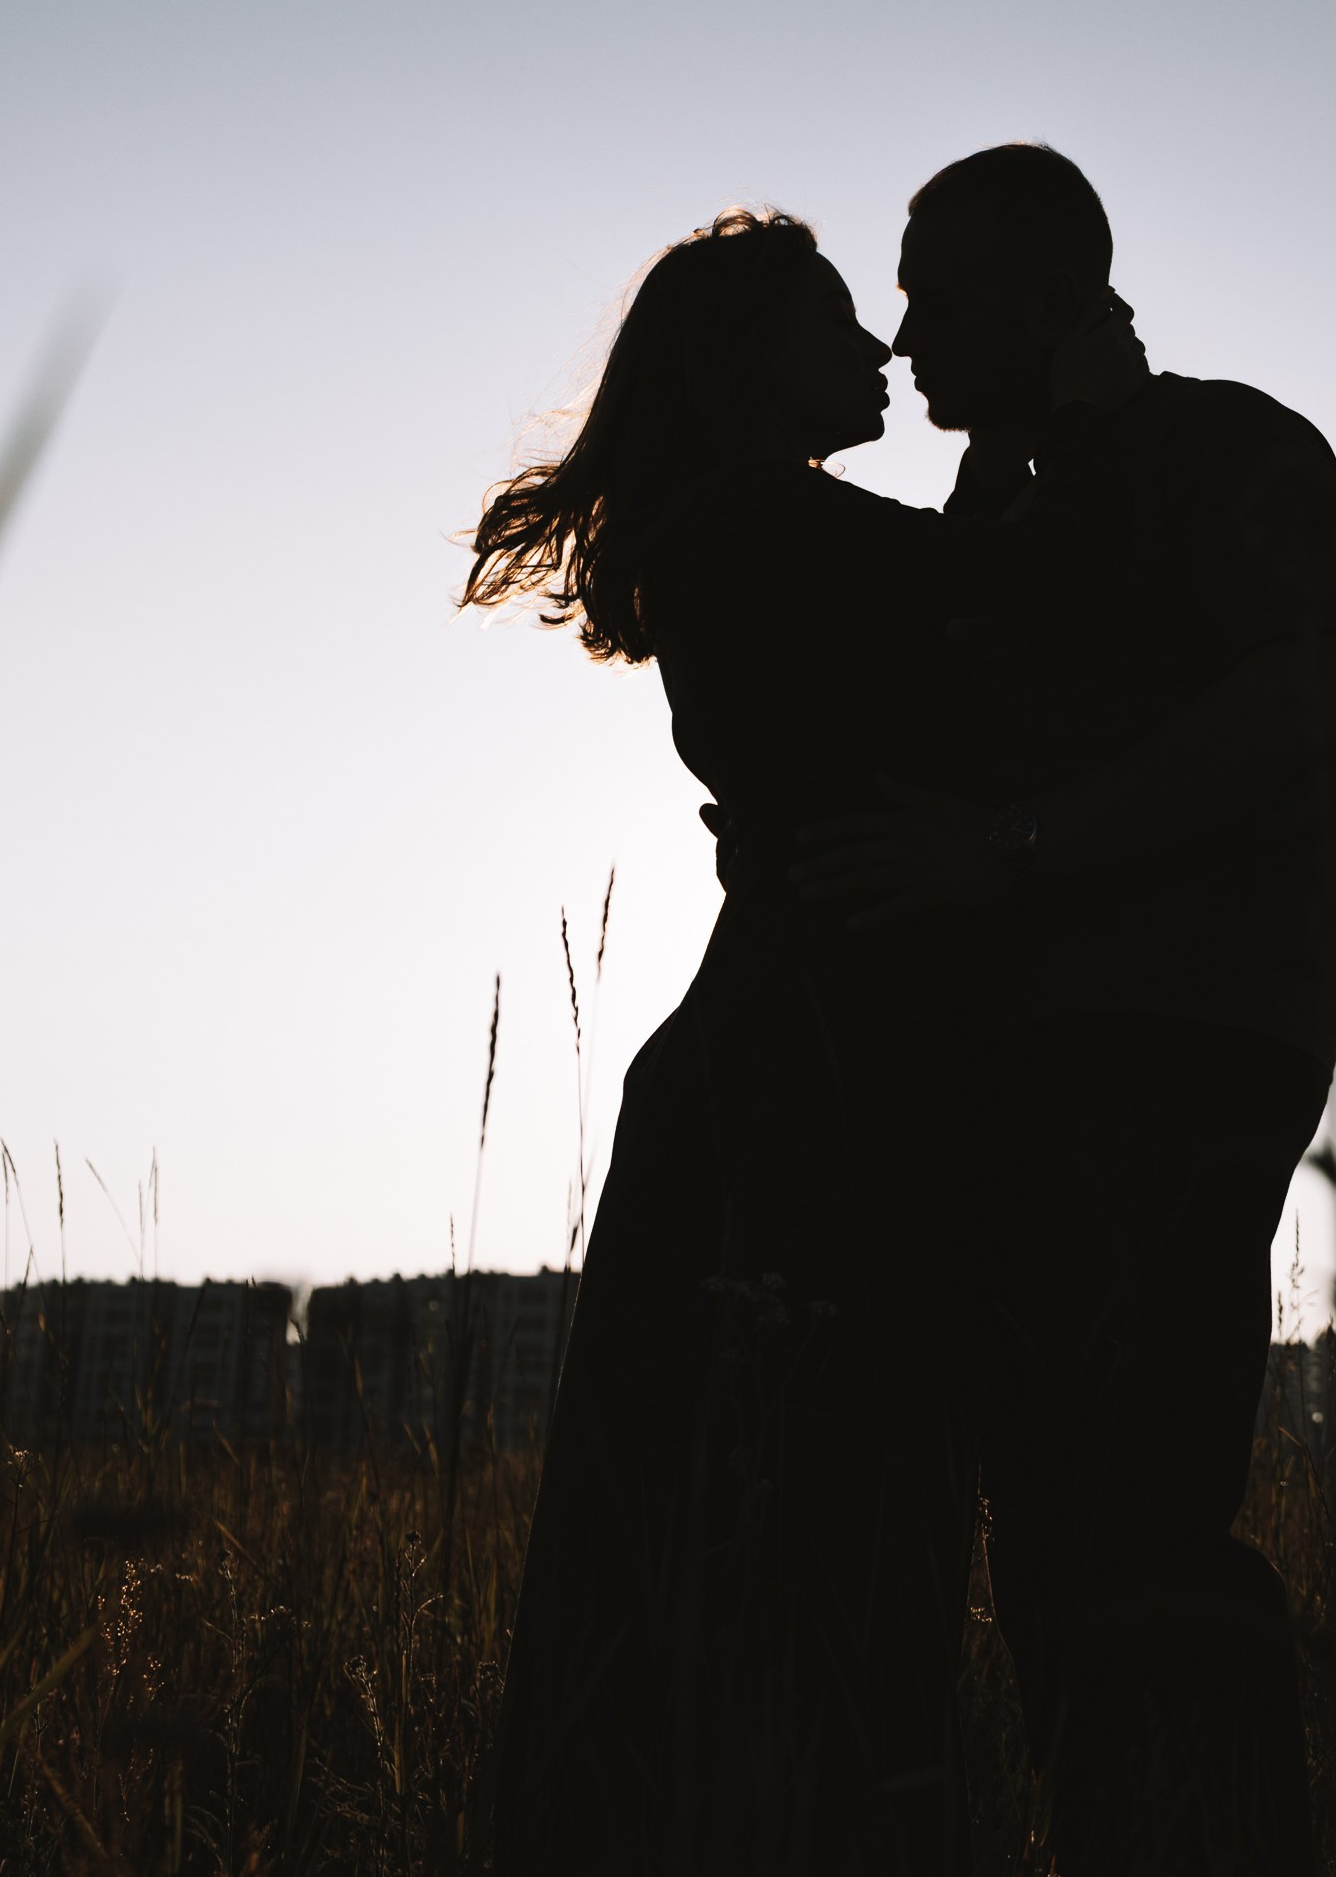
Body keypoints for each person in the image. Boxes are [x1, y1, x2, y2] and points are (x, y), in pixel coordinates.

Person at [476, 206, 1133, 1877]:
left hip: (804, 1034)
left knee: (770, 1516)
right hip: (811, 1059)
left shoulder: (769, 527)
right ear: (752, 361)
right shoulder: (766, 527)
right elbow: (1026, 595)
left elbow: (964, 607)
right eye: (841, 317)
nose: (885, 349)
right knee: (811, 1518)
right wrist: (1073, 402)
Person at [792, 142, 1336, 1874]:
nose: (902, 338)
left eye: (935, 294)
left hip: (1167, 1057)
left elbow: (1295, 722)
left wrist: (1020, 847)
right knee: (1051, 1538)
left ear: (1052, 301)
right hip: (1023, 1074)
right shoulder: (1015, 516)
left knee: (1133, 1533)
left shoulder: (1231, 449)